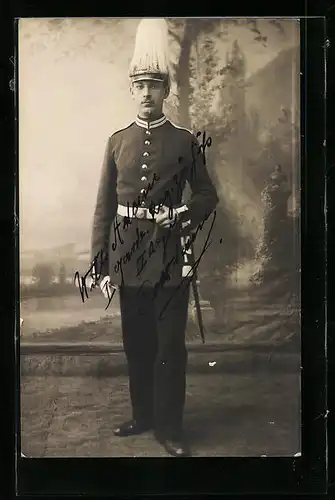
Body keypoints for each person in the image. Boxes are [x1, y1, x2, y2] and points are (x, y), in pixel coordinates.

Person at [90, 18, 219, 457]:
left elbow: (207, 195)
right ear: (131, 91)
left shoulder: (184, 142)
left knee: (169, 347)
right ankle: (143, 414)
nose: (147, 93)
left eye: (155, 85)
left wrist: (180, 214)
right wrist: (100, 263)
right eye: (140, 85)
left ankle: (169, 427)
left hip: (169, 258)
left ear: (166, 91)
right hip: (127, 257)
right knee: (136, 344)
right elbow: (104, 209)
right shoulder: (116, 142)